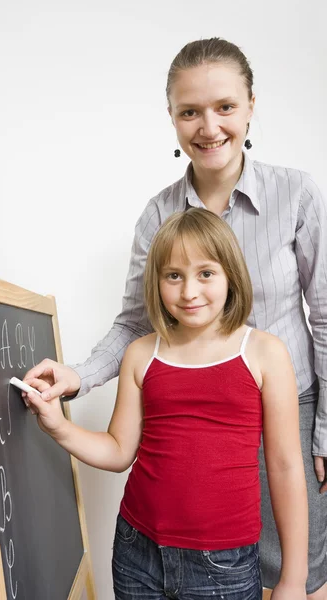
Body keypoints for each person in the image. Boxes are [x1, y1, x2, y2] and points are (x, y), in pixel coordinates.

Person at [24, 39, 327, 598]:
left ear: (251, 105)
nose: (208, 126)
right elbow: (134, 326)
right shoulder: (159, 213)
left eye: (225, 107)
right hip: (185, 428)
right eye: (190, 111)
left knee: (297, 573)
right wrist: (80, 375)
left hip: (292, 404)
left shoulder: (296, 194)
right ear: (172, 118)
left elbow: (326, 318)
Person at [24, 208, 308, 600]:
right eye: (174, 275)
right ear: (157, 282)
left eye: (205, 273)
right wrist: (58, 427)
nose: (189, 291)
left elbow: (286, 466)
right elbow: (120, 450)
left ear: (231, 276)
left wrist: (293, 578)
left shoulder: (264, 353)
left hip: (224, 564)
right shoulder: (141, 353)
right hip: (137, 551)